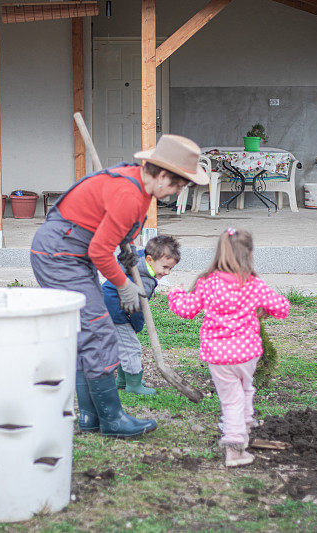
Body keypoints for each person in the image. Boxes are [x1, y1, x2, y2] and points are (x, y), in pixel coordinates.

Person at [30, 134, 209, 438]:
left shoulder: (137, 186)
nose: (179, 192)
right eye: (179, 185)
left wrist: (123, 243)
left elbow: (104, 223)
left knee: (88, 332)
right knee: (98, 329)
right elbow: (101, 251)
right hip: (60, 254)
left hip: (71, 252)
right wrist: (123, 284)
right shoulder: (129, 193)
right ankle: (112, 419)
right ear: (163, 175)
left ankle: (90, 417)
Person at [167, 228, 290, 466]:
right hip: (247, 354)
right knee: (244, 390)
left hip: (219, 355)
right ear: (249, 254)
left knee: (232, 398)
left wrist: (175, 294)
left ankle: (236, 438)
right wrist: (265, 309)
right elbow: (282, 308)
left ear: (219, 253)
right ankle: (238, 438)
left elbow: (186, 309)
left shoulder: (207, 283)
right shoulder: (254, 284)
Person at [102, 235, 181, 396]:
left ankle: (123, 380)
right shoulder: (144, 281)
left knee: (122, 345)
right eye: (165, 267)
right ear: (150, 259)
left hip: (108, 306)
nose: (167, 272)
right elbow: (138, 309)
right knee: (132, 347)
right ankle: (133, 385)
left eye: (170, 268)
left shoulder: (137, 259)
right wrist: (137, 326)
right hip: (116, 313)